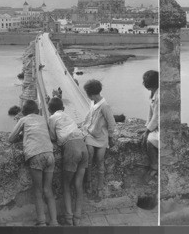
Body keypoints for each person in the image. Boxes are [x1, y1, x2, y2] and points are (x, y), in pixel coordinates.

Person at [8, 100, 58, 226]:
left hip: (35, 155)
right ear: (37, 111)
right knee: (48, 190)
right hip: (49, 154)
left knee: (38, 191)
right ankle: (54, 222)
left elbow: (11, 138)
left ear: (23, 112)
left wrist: (22, 136)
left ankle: (41, 222)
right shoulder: (42, 119)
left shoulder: (23, 120)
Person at [48, 97, 88, 226]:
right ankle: (78, 216)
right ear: (63, 108)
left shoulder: (52, 118)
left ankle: (69, 218)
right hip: (83, 147)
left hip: (71, 148)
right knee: (78, 184)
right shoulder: (68, 116)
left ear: (49, 110)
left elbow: (53, 136)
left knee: (66, 185)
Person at [80, 80, 116, 199]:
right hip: (90, 135)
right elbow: (89, 117)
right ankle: (88, 181)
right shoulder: (93, 102)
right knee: (89, 156)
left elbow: (112, 123)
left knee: (100, 160)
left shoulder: (104, 106)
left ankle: (100, 187)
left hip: (101, 137)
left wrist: (110, 137)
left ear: (90, 94)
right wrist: (83, 127)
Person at [141, 70, 159, 182]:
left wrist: (147, 131)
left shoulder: (159, 95)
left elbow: (157, 116)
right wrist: (147, 127)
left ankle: (154, 167)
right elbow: (150, 113)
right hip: (157, 126)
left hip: (162, 126)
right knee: (148, 137)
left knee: (149, 141)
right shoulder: (154, 92)